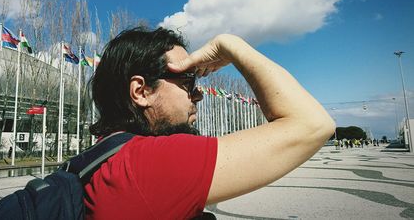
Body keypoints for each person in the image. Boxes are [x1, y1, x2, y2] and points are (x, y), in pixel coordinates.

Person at [85, 27, 335, 219]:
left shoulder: (106, 157)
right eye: (188, 83)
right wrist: (231, 46)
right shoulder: (147, 164)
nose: (199, 95)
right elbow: (313, 124)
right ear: (141, 92)